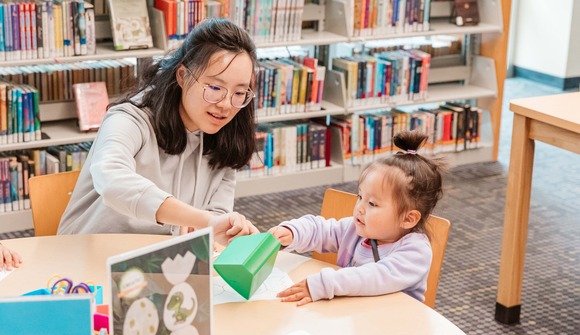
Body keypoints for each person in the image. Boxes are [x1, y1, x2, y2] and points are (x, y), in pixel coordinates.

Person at [58, 18, 260, 245]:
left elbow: (216, 221)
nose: (225, 104)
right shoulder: (129, 119)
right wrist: (205, 220)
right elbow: (112, 180)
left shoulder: (226, 139)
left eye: (240, 93)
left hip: (157, 266)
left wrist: (226, 229)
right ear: (182, 76)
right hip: (87, 257)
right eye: (214, 87)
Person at [269, 130, 446, 306]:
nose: (360, 208)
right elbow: (322, 229)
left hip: (393, 327)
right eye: (360, 197)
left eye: (373, 204)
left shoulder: (415, 252)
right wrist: (293, 232)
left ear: (408, 219)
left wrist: (324, 284)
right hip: (355, 317)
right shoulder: (357, 229)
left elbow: (373, 276)